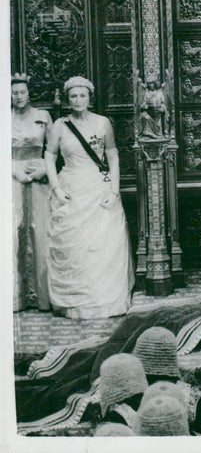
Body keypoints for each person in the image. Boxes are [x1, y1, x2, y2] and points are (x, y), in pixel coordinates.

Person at [43, 76, 134, 319]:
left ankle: (104, 300)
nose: (78, 100)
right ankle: (75, 303)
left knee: (102, 244)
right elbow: (49, 156)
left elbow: (112, 155)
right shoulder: (60, 126)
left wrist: (114, 190)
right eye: (73, 96)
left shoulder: (103, 122)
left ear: (89, 98)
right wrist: (56, 188)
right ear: (67, 99)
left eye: (82, 95)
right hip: (71, 187)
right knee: (75, 246)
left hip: (99, 187)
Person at [11, 73, 52, 311]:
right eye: (14, 93)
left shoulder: (42, 116)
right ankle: (17, 297)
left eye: (22, 92)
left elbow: (53, 151)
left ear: (29, 93)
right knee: (14, 229)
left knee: (40, 230)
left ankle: (41, 296)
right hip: (11, 176)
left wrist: (43, 169)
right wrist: (14, 170)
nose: (18, 96)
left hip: (38, 177)